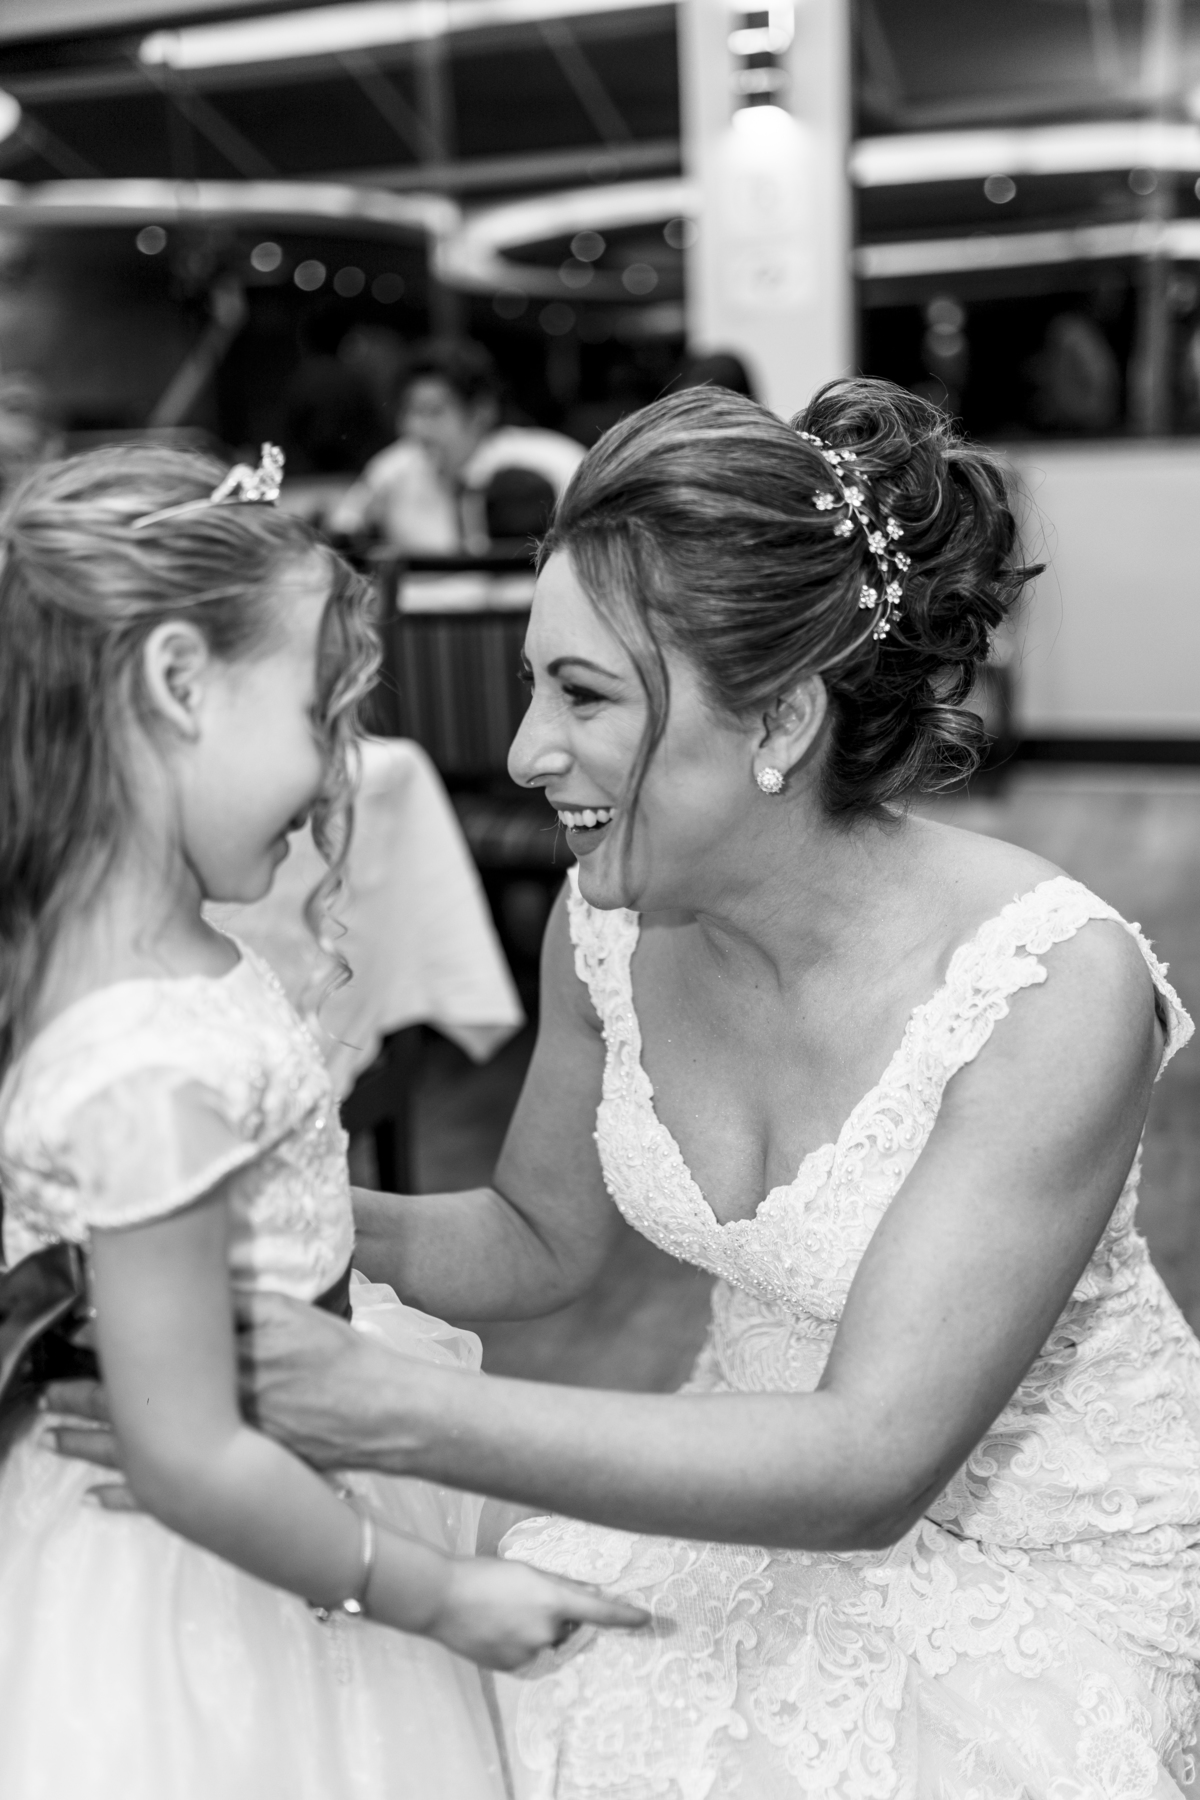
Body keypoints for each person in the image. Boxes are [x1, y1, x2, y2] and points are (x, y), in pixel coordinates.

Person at [57, 385, 1200, 1796]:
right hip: (749, 1502)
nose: (525, 750)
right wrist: (264, 1214)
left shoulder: (1050, 987)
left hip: (1039, 1578)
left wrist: (378, 1402)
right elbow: (535, 1239)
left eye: (584, 694)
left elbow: (868, 1463)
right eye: (535, 683)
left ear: (779, 717)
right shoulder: (603, 925)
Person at [0, 442, 643, 1800]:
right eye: (315, 714)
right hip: (212, 1584)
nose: (337, 771)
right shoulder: (144, 1059)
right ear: (179, 684)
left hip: (286, 1486)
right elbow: (185, 1450)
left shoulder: (158, 960)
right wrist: (434, 1595)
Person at [328, 338, 583, 554]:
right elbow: (344, 528)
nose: (413, 428)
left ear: (481, 412)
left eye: (433, 411)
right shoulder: (394, 468)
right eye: (408, 411)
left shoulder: (553, 462)